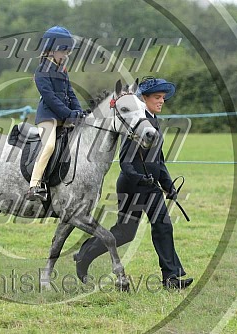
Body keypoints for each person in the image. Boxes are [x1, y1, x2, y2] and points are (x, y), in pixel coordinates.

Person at [73, 77, 193, 289]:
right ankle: (85, 254)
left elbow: (159, 160)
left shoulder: (154, 122)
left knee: (163, 227)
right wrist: (141, 179)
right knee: (125, 233)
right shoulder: (134, 124)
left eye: (163, 98)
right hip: (132, 187)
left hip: (151, 187)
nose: (161, 101)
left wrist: (168, 185)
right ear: (143, 99)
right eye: (157, 97)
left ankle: (171, 278)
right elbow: (126, 163)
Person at [26, 26, 83, 201]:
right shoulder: (42, 71)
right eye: (63, 51)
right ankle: (34, 185)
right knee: (49, 145)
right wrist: (68, 114)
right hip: (48, 118)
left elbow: (70, 93)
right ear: (51, 49)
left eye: (67, 52)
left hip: (64, 117)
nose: (66, 55)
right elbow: (50, 98)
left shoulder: (62, 71)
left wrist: (79, 112)